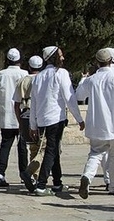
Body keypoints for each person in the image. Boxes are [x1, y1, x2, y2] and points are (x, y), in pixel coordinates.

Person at [22, 46, 85, 196]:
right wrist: (79, 119)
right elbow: (69, 98)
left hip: (43, 120)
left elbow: (34, 103)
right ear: (53, 58)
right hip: (56, 119)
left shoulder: (39, 77)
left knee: (54, 149)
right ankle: (41, 184)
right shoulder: (60, 73)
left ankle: (57, 182)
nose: (63, 58)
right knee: (51, 150)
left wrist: (33, 125)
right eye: (60, 56)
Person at [75, 49, 114, 199]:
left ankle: (87, 176)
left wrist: (82, 80)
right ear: (111, 60)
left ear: (97, 62)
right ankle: (112, 186)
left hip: (98, 125)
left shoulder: (92, 80)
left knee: (96, 153)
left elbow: (79, 96)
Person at [0, 48, 28, 187]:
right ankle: (24, 174)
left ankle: (0, 174)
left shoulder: (1, 74)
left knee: (5, 146)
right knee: (22, 147)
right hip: (22, 116)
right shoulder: (24, 74)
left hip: (6, 116)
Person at [13, 55, 44, 179]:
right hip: (42, 116)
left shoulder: (22, 81)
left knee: (33, 148)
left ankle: (35, 175)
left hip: (25, 115)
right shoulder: (43, 79)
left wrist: (19, 121)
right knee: (45, 148)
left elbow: (16, 104)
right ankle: (34, 174)